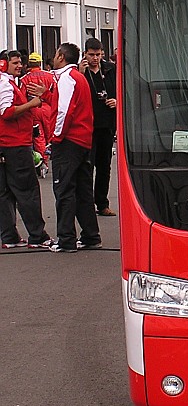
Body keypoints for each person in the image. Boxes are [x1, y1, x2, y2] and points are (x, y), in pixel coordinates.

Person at [49, 43, 101, 252]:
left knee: (64, 189)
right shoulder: (78, 77)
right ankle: (90, 235)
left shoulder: (67, 78)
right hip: (82, 140)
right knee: (82, 190)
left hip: (69, 141)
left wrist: (56, 136)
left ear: (61, 56)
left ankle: (65, 239)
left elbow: (63, 111)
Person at [0, 49, 53, 250]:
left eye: (20, 62)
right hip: (15, 145)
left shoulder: (9, 82)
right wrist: (32, 103)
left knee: (5, 193)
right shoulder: (5, 83)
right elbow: (6, 112)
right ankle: (37, 236)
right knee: (27, 191)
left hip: (8, 144)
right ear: (4, 64)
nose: (20, 65)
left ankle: (9, 236)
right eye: (15, 63)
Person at [80, 38, 117, 216]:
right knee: (88, 166)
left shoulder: (110, 70)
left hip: (106, 125)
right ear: (85, 54)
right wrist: (81, 72)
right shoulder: (81, 72)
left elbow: (121, 90)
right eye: (92, 55)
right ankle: (86, 204)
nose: (95, 58)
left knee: (104, 166)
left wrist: (116, 101)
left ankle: (102, 203)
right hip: (88, 127)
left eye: (98, 54)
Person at [20, 51, 56, 175]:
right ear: (39, 62)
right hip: (49, 108)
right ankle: (55, 161)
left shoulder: (24, 79)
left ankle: (43, 163)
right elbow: (55, 93)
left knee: (38, 137)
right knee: (50, 136)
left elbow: (22, 97)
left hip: (33, 109)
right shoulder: (50, 76)